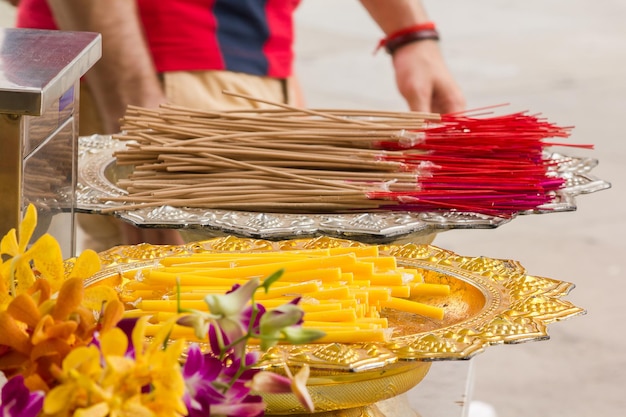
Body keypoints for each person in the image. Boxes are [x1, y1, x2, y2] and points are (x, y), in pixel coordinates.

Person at [9, 0, 465, 252]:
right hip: (166, 78)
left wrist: (410, 34)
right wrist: (148, 137)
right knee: (203, 338)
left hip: (215, 71)